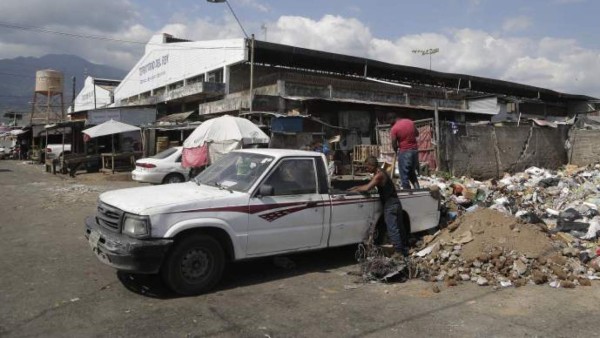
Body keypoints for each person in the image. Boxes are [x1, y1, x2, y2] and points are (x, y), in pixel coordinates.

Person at [348, 156, 409, 260]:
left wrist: (355, 189)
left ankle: (399, 252)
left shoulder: (379, 175)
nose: (366, 169)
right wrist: (357, 187)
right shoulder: (381, 172)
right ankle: (404, 249)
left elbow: (367, 188)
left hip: (390, 205)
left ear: (372, 166)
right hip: (396, 203)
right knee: (399, 227)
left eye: (367, 167)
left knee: (392, 228)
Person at [390, 117, 420, 190]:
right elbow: (417, 134)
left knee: (404, 175)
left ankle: (407, 192)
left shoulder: (394, 128)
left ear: (391, 119)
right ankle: (418, 189)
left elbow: (394, 143)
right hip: (414, 151)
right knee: (411, 173)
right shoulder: (410, 122)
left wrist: (395, 149)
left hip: (405, 152)